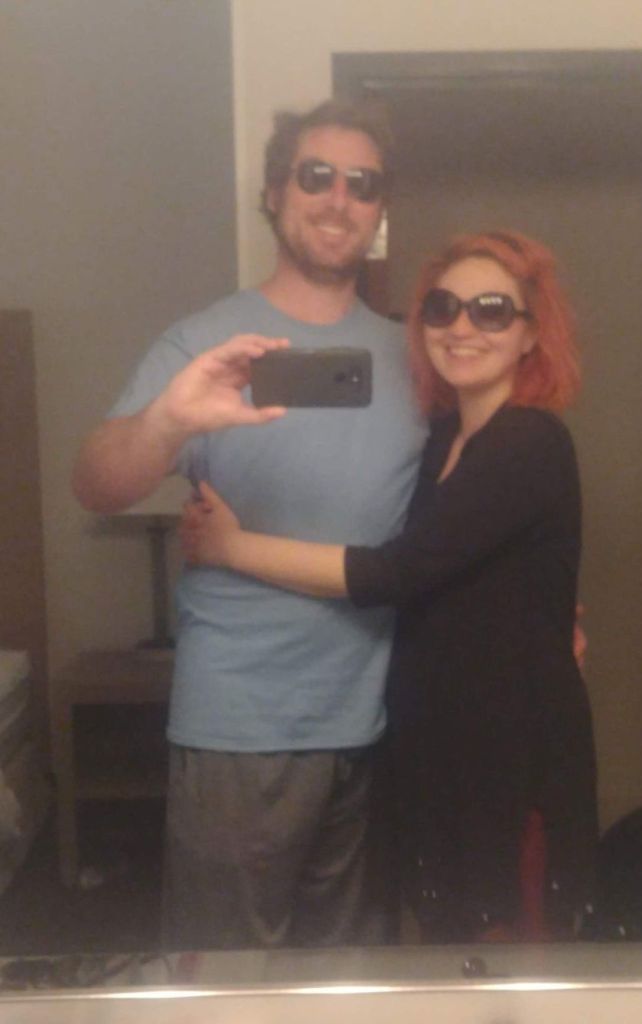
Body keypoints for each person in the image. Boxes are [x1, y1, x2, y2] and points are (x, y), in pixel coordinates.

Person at [71, 99, 427, 949]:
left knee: (351, 990)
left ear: (378, 208)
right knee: (224, 985)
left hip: (375, 727)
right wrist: (169, 421)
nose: (337, 199)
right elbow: (97, 484)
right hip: (241, 730)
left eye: (362, 184)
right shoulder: (203, 344)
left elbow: (462, 515)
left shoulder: (414, 356)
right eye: (316, 176)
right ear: (274, 192)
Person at [180, 229, 599, 942]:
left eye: (492, 310)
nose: (462, 327)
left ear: (531, 334)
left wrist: (232, 548)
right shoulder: (442, 438)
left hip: (509, 751)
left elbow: (395, 571)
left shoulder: (528, 442)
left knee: (507, 965)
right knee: (442, 946)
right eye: (442, 307)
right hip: (436, 741)